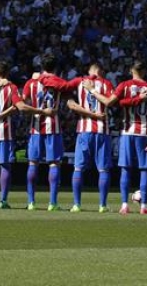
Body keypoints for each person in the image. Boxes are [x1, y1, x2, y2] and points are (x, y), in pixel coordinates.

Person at [0, 61, 55, 209]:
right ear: (7, 74)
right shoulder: (11, 88)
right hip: (5, 131)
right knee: (4, 166)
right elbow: (21, 107)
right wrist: (42, 112)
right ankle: (3, 201)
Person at [87, 60, 147, 215]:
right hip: (145, 133)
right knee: (145, 169)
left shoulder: (124, 86)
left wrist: (92, 90)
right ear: (144, 72)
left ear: (131, 70)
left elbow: (109, 102)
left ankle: (125, 205)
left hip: (128, 132)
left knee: (126, 168)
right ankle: (143, 206)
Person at [47, 62, 115, 213]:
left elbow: (70, 103)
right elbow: (111, 101)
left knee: (78, 168)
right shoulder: (106, 83)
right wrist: (96, 114)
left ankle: (76, 204)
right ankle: (102, 205)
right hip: (102, 131)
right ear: (101, 71)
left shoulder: (79, 82)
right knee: (103, 170)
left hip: (84, 130)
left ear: (90, 69)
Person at [22, 53, 66, 211]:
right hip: (53, 127)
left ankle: (31, 202)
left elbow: (23, 103)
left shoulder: (31, 83)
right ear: (55, 67)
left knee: (33, 163)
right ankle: (52, 203)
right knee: (54, 163)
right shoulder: (60, 82)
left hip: (35, 128)